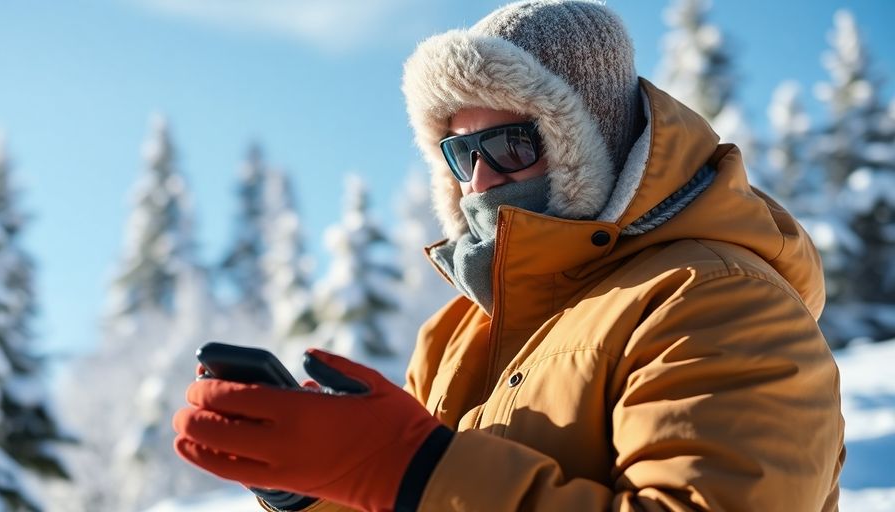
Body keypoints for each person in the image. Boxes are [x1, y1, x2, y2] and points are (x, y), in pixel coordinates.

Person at [172, 1, 846, 510]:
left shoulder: (717, 298)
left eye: (513, 145)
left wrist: (411, 468)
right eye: (462, 153)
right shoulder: (458, 334)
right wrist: (320, 485)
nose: (483, 180)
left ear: (594, 141)